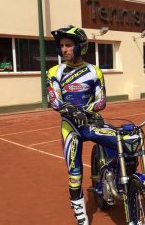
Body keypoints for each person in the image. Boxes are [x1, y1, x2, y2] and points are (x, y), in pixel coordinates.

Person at [46, 25, 117, 225]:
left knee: (122, 143)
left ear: (80, 47)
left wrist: (84, 110)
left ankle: (116, 183)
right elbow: (54, 101)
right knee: (75, 172)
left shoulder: (94, 71)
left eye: (68, 45)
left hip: (91, 123)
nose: (64, 49)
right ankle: (81, 216)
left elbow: (101, 101)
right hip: (71, 129)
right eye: (62, 46)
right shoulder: (54, 72)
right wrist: (71, 110)